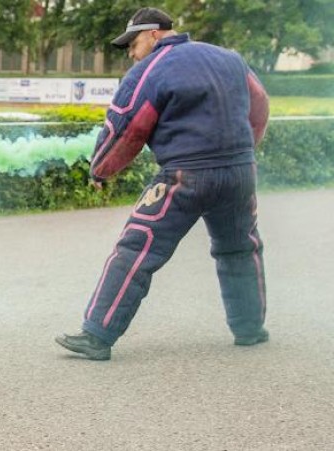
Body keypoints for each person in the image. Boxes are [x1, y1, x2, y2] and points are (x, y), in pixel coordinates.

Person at [55, 7, 270, 360]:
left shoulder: (149, 71)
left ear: (155, 34)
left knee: (136, 248)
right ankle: (249, 329)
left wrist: (100, 170)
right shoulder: (230, 59)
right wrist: (247, 149)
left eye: (133, 42)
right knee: (241, 248)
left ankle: (97, 335)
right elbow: (259, 103)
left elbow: (126, 129)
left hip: (184, 177)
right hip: (239, 173)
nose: (130, 52)